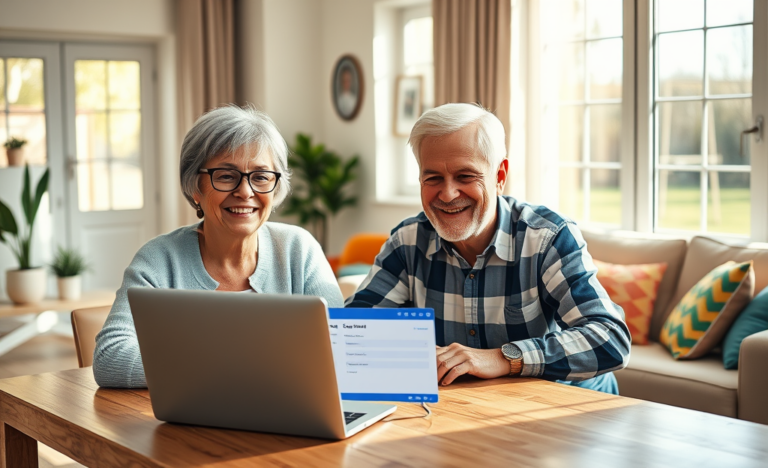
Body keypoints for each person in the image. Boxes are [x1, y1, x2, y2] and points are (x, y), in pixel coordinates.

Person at [345, 103, 630, 394]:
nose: (447, 194)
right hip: (472, 408)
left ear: (499, 176)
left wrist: (503, 357)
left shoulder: (548, 238)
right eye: (433, 178)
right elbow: (350, 336)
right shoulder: (408, 241)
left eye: (465, 176)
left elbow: (611, 340)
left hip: (575, 408)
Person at [94, 105, 344, 388]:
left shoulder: (299, 250)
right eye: (226, 176)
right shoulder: (159, 260)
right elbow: (110, 359)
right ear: (194, 187)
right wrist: (235, 367)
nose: (246, 192)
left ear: (275, 189)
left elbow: (339, 346)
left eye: (261, 177)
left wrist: (199, 366)